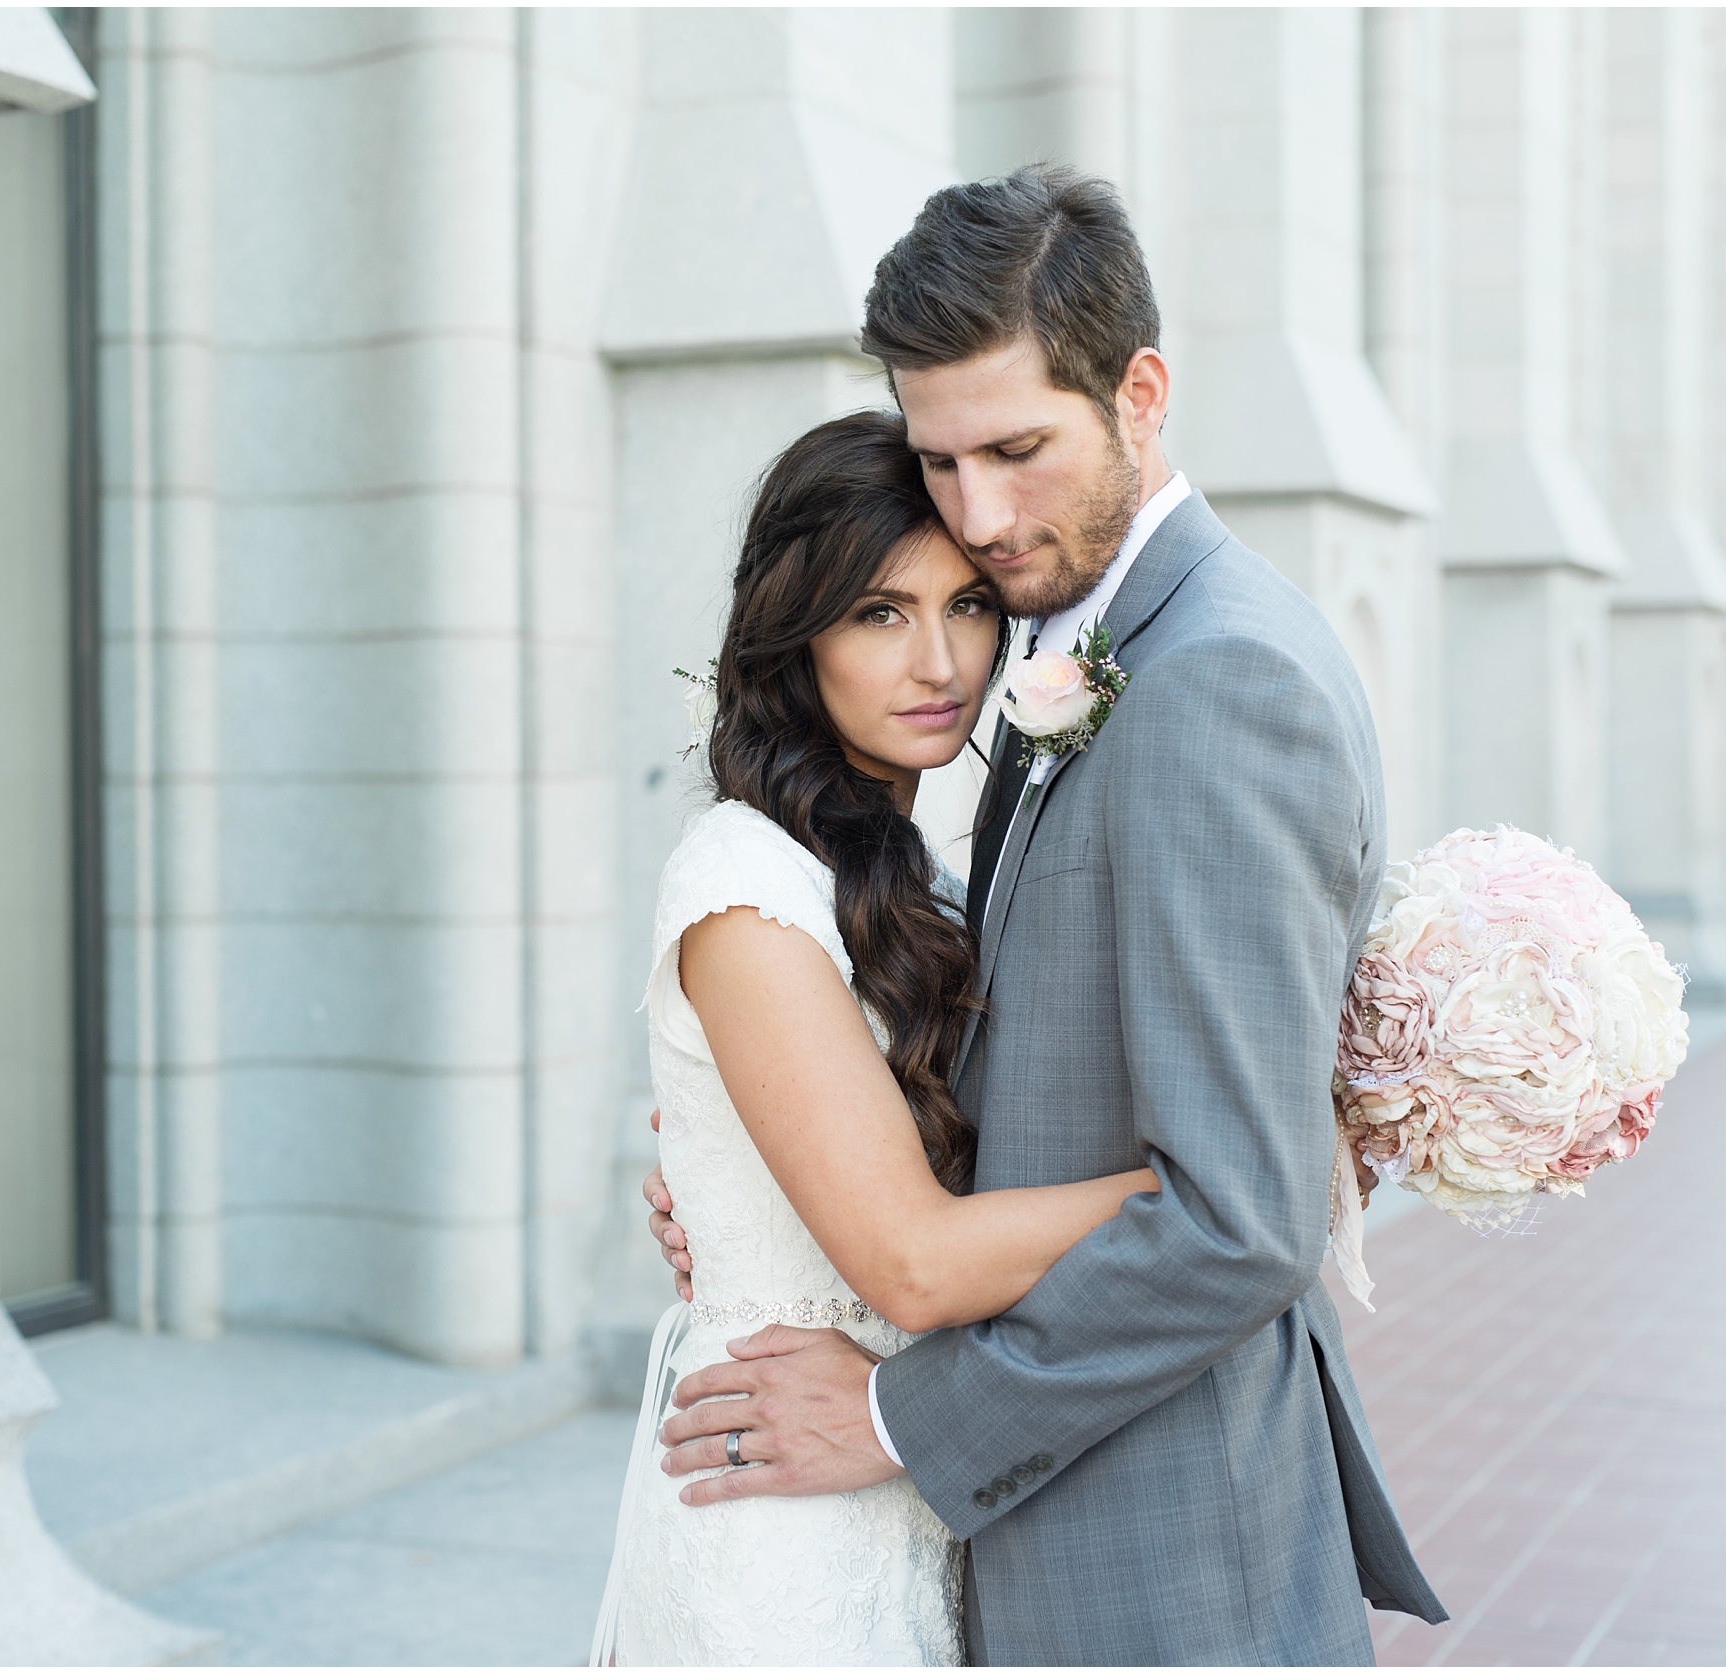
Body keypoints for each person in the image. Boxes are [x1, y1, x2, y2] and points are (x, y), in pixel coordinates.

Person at [642, 164, 1448, 1664]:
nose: (983, 517)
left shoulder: (1221, 681)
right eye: (944, 463)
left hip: (1159, 1543)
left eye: (1017, 449)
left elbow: (1234, 1217)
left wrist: (894, 1404)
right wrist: (760, 1175)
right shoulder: (1078, 646)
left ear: (1141, 392)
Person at [592, 410, 1163, 1666]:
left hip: (896, 1478)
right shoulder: (744, 883)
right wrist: (1213, 1188)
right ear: (795, 637)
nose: (937, 662)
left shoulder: (918, 887)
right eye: (877, 613)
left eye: (964, 604)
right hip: (778, 1524)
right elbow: (910, 1263)